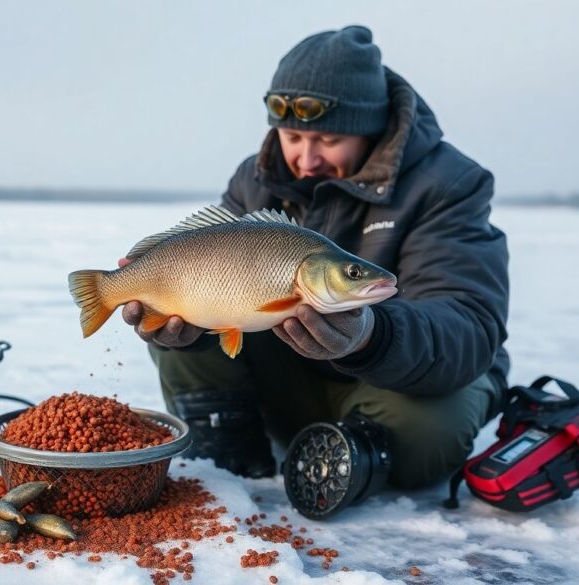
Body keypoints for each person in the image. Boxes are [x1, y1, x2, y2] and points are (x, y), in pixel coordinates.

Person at [120, 25, 510, 510]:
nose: (306, 159)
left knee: (428, 434)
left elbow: (469, 325)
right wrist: (188, 329)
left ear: (371, 127)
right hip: (295, 363)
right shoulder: (255, 179)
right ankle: (233, 469)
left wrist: (371, 334)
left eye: (327, 138)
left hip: (405, 378)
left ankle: (351, 452)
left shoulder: (449, 184)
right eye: (292, 135)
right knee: (184, 319)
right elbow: (210, 278)